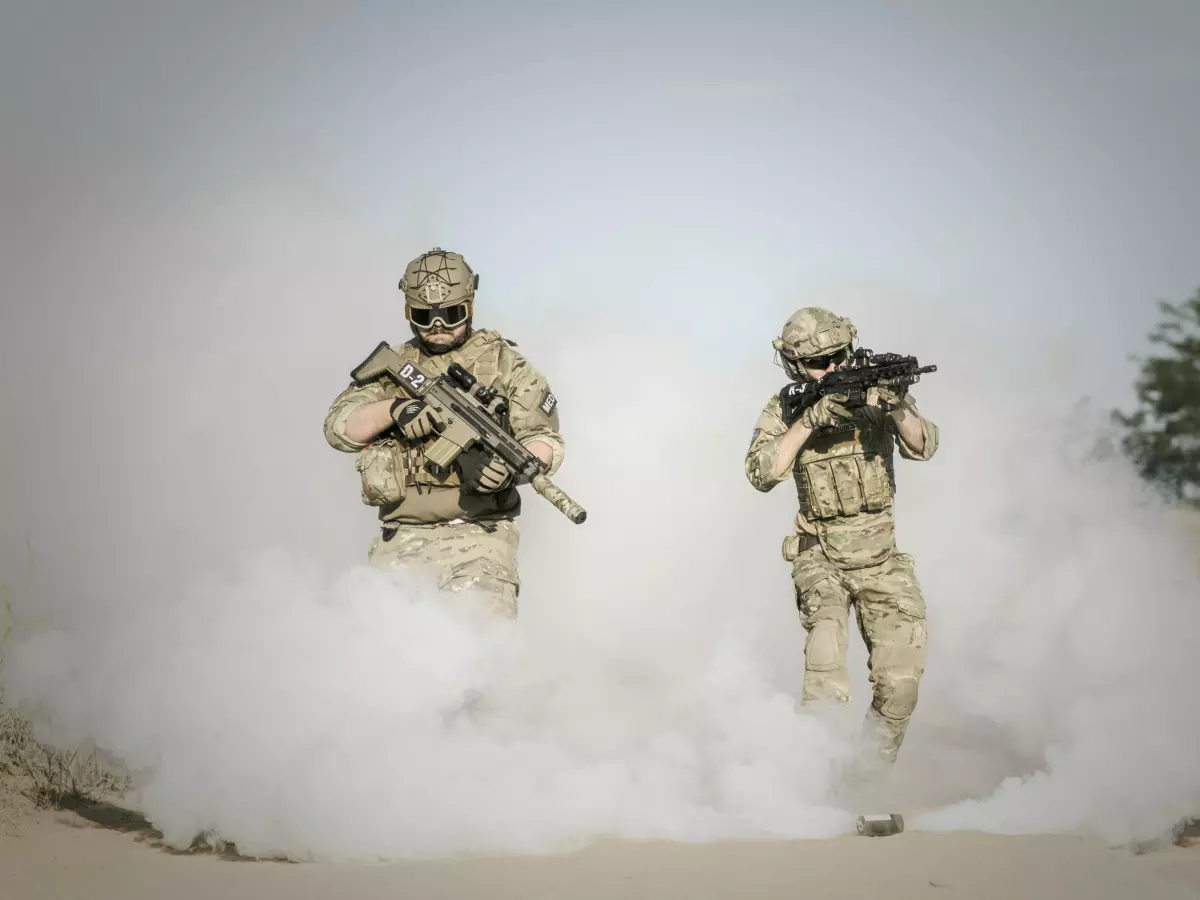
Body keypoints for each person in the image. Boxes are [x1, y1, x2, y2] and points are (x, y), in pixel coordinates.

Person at [744, 307, 939, 769]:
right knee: (826, 670)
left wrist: (894, 404)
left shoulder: (878, 393)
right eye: (818, 362)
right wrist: (811, 419)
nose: (831, 368)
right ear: (795, 366)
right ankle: (813, 782)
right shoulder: (785, 407)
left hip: (883, 561)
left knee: (901, 684)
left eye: (839, 356)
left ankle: (864, 780)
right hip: (821, 556)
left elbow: (923, 445)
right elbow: (761, 473)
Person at [323, 247, 565, 618]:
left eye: (451, 315)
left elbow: (544, 440)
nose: (438, 327)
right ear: (408, 312)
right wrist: (395, 409)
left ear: (469, 305)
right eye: (425, 317)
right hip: (401, 539)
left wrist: (510, 472)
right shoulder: (396, 368)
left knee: (479, 660)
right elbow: (340, 428)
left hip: (479, 540)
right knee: (386, 660)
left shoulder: (505, 365)